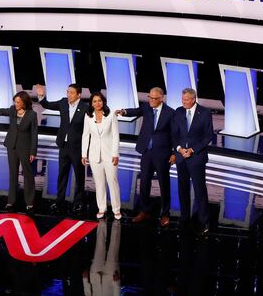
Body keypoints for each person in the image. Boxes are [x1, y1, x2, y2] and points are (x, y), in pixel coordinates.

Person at [117, 87, 177, 226]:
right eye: (149, 97)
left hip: (163, 154)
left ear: (161, 98)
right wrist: (124, 112)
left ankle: (165, 214)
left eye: (154, 98)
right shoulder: (147, 107)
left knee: (164, 184)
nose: (151, 100)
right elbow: (136, 111)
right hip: (146, 152)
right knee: (144, 182)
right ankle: (144, 211)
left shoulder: (170, 113)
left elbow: (175, 134)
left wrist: (174, 153)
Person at [37, 83, 88, 214]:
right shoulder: (63, 103)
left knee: (79, 176)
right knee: (62, 174)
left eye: (71, 92)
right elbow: (47, 104)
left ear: (78, 95)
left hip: (77, 148)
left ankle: (78, 203)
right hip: (64, 146)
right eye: (67, 92)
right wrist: (42, 96)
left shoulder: (85, 108)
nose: (68, 95)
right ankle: (59, 201)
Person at [0, 85, 39, 212]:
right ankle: (11, 201)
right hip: (11, 146)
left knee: (28, 175)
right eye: (15, 101)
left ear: (24, 102)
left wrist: (33, 151)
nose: (15, 104)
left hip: (25, 148)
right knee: (13, 173)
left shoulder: (32, 115)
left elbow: (34, 134)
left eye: (18, 102)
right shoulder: (12, 110)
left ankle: (30, 202)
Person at [172, 88, 214, 237]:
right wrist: (179, 149)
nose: (183, 103)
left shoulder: (204, 112)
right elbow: (174, 134)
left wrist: (192, 150)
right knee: (182, 189)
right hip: (181, 156)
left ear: (194, 99)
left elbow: (208, 135)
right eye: (182, 100)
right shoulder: (178, 111)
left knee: (199, 190)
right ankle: (184, 218)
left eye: (186, 100)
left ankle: (203, 221)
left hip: (196, 157)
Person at [81, 92, 121, 220]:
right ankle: (102, 208)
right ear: (91, 103)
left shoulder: (111, 116)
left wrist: (115, 153)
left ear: (103, 102)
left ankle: (116, 209)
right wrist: (84, 153)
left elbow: (116, 136)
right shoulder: (88, 116)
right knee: (99, 183)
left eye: (99, 101)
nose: (97, 103)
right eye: (94, 101)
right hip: (94, 155)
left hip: (110, 155)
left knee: (112, 181)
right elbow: (85, 135)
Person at [83, 219, 122, 296]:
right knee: (114, 249)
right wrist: (116, 284)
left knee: (99, 247)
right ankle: (117, 221)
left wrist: (85, 279)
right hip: (110, 280)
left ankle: (102, 222)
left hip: (95, 276)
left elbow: (87, 294)